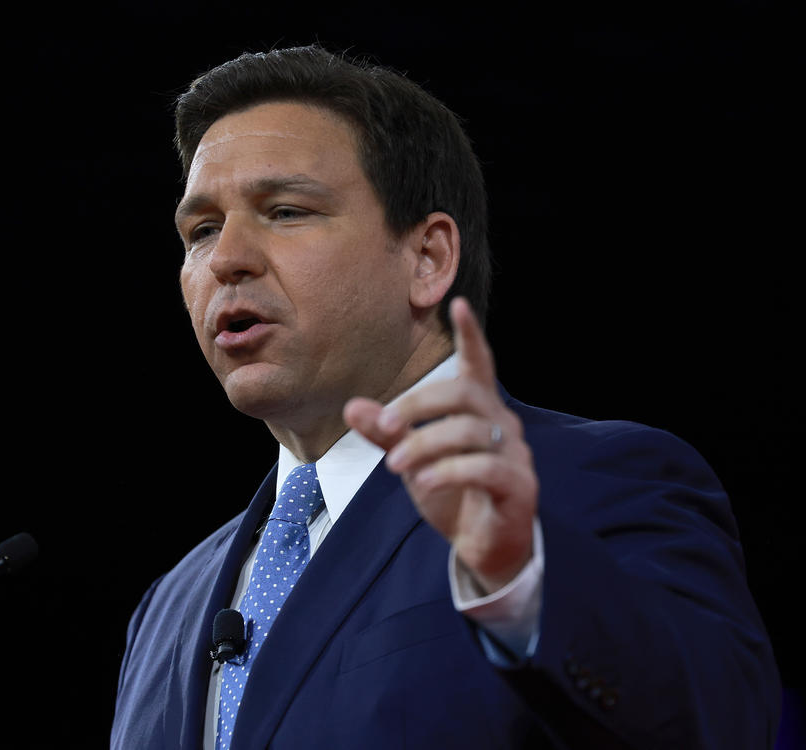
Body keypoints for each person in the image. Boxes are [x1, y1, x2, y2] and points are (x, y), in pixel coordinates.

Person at [110, 45, 781, 749]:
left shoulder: (592, 485)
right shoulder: (170, 605)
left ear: (427, 259)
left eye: (285, 211)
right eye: (202, 230)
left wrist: (522, 579)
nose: (225, 259)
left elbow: (718, 726)